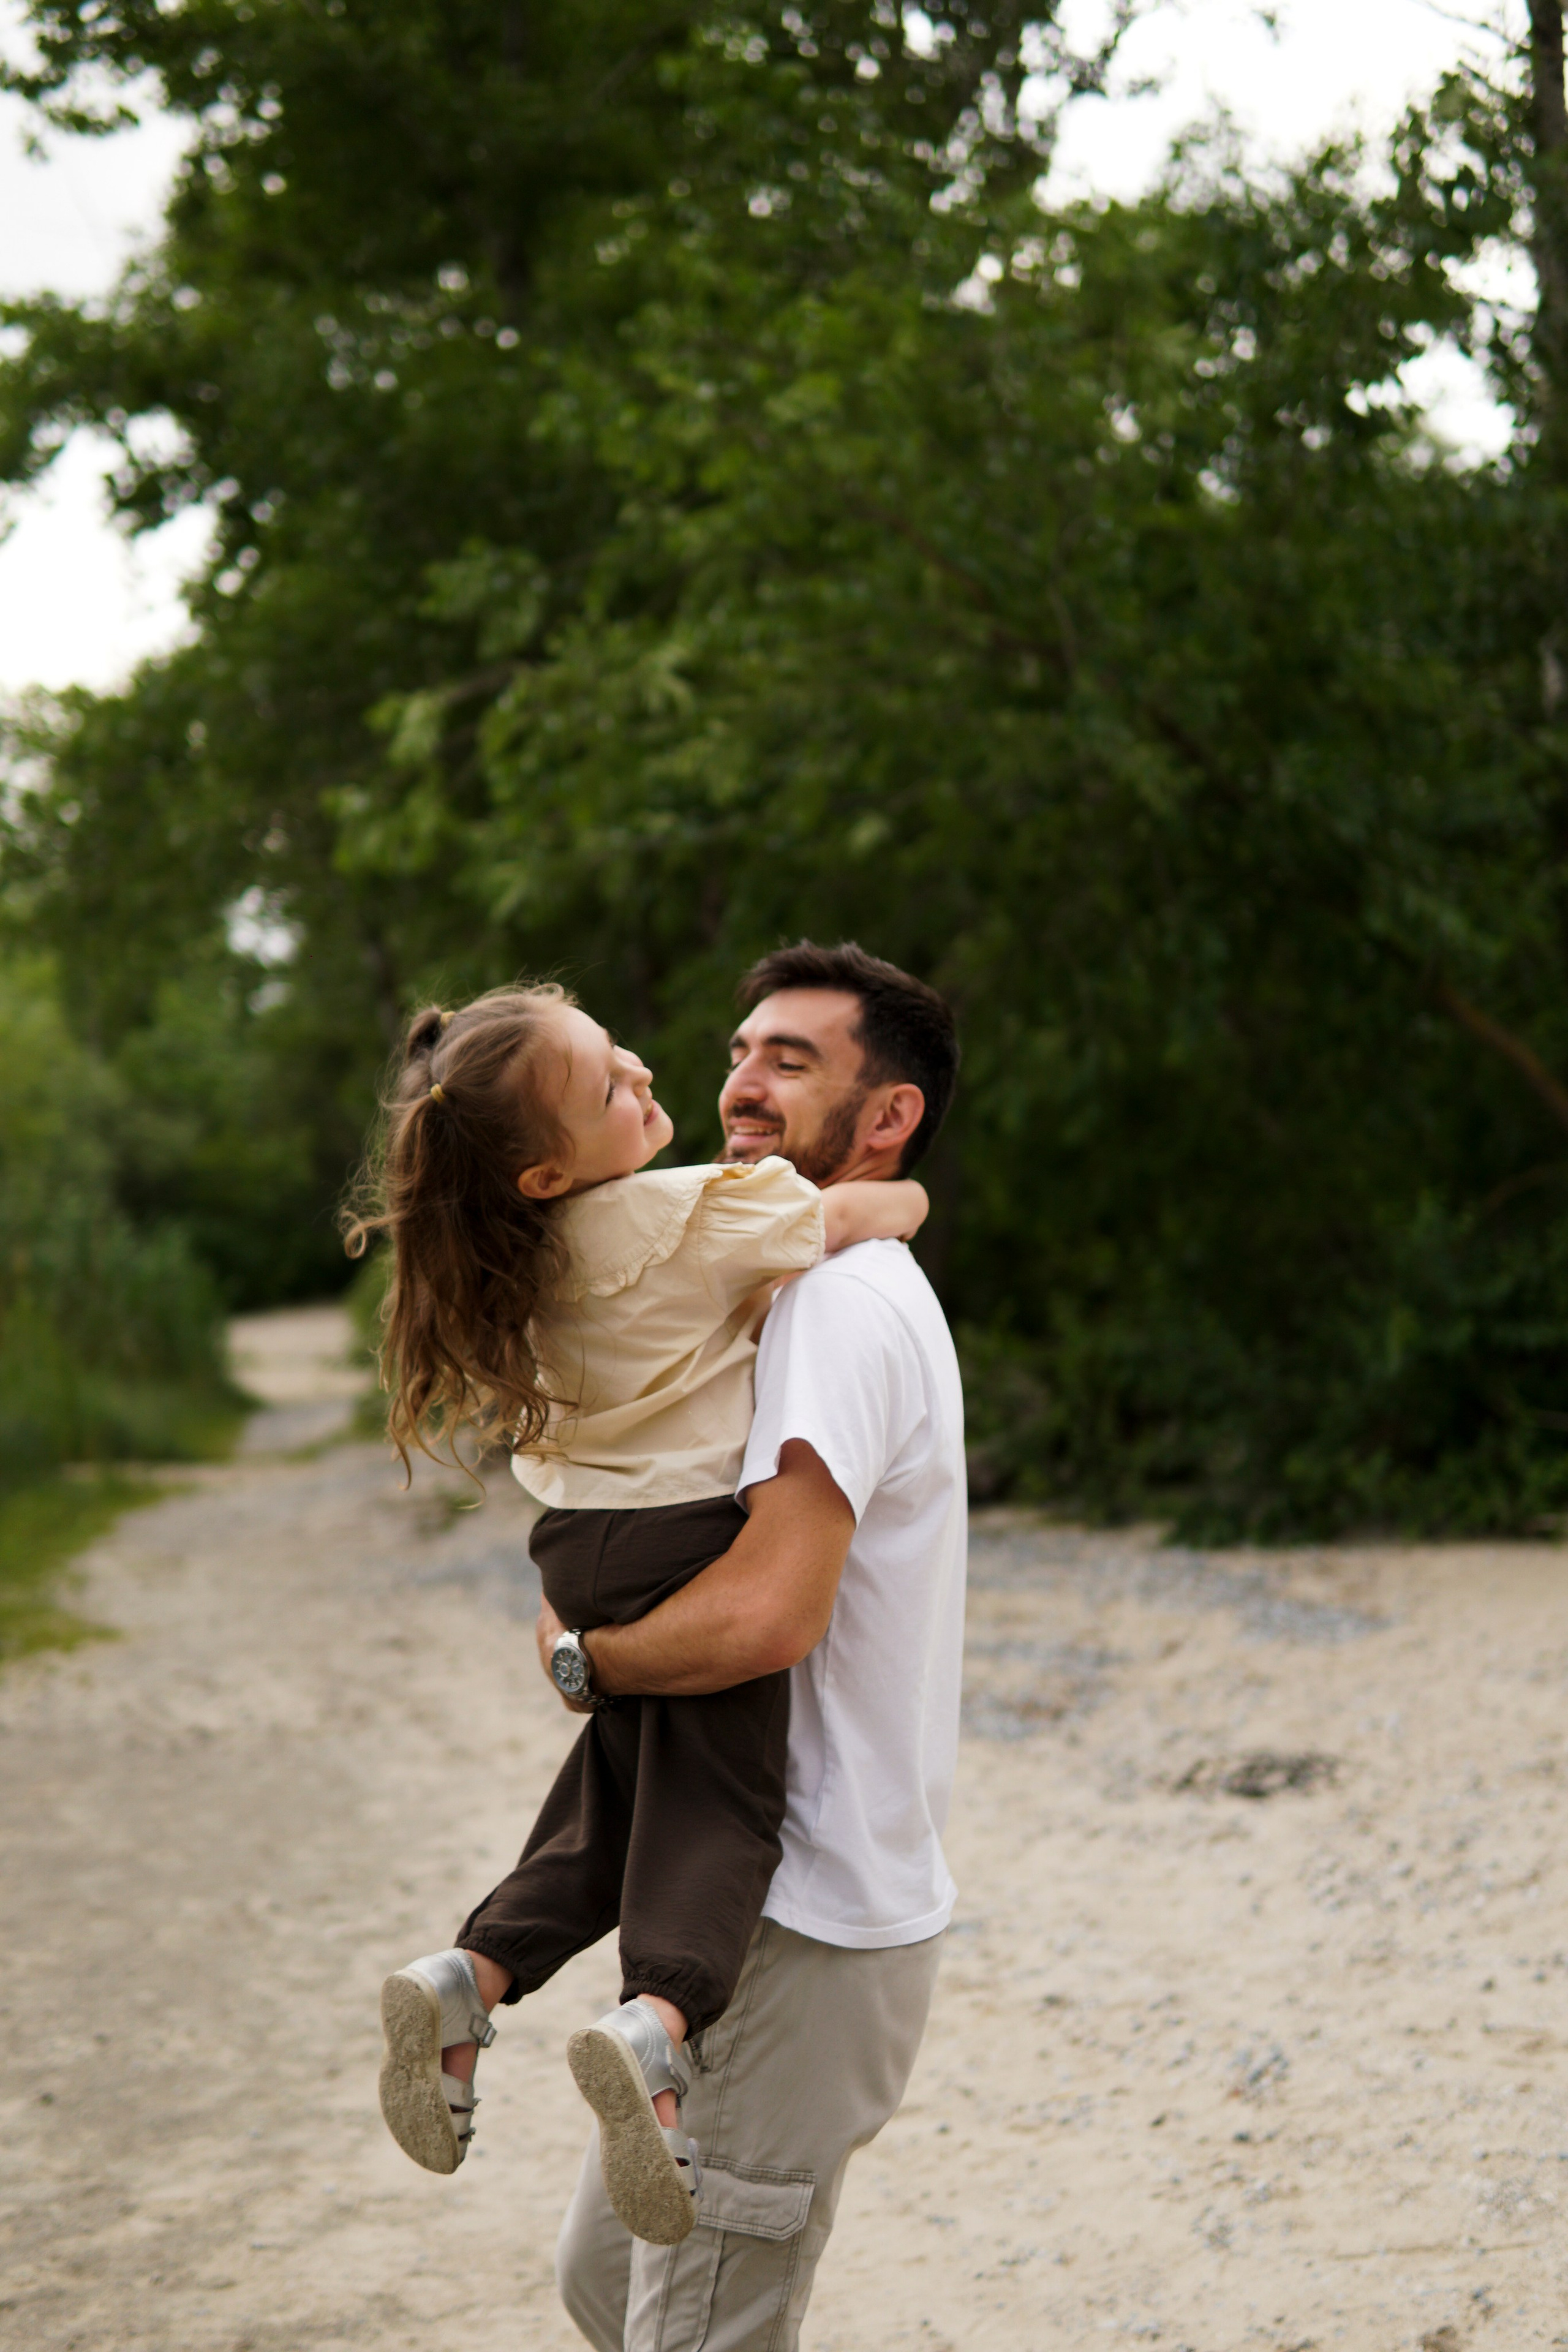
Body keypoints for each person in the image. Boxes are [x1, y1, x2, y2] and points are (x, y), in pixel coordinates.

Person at [349, 981, 927, 2244]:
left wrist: (582, 1655)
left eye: (624, 1057)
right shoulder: (696, 1213)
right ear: (549, 1167)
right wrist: (909, 1201)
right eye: (615, 1086)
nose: (657, 1081)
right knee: (718, 1806)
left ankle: (473, 1974)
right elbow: (847, 1215)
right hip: (680, 1545)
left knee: (615, 1795)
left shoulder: (527, 1243)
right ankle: (657, 2023)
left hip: (579, 1550)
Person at [538, 940, 968, 2352]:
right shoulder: (780, 1268)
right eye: (738, 1054)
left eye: (790, 1061)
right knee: (609, 2284)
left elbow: (770, 1611)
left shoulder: (839, 1304)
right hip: (736, 1895)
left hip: (805, 1908)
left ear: (888, 1111)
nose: (741, 1084)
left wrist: (583, 1659)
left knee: (697, 2326)